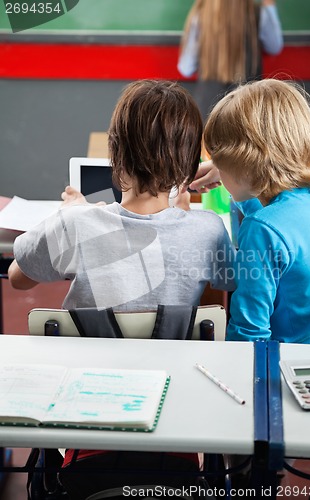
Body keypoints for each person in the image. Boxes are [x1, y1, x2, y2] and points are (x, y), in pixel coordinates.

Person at [8, 79, 236, 499]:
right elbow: (227, 282)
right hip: (179, 432)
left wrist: (71, 216)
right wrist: (182, 212)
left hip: (82, 430)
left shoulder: (76, 226)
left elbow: (20, 275)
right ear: (191, 164)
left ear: (115, 154)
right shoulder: (208, 231)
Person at [190, 78, 310, 345]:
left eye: (217, 159)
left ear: (244, 165)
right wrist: (233, 177)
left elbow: (248, 334)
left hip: (285, 363)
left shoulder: (261, 229)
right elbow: (286, 216)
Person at [178, 0, 283, 119]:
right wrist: (269, 6)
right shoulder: (258, 15)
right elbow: (274, 47)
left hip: (208, 112)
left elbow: (186, 68)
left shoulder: (201, 16)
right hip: (249, 111)